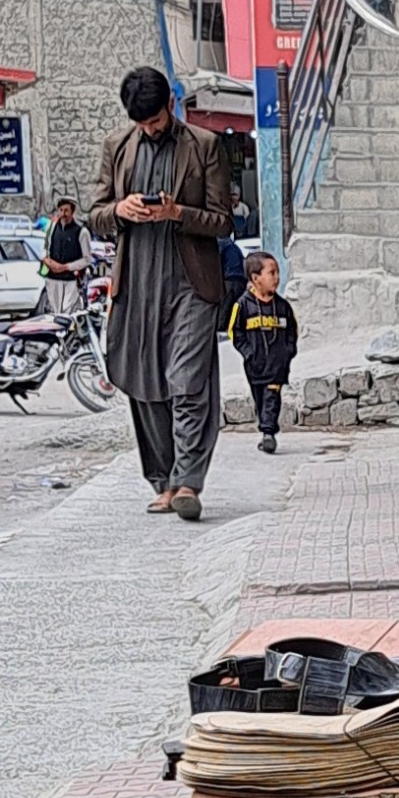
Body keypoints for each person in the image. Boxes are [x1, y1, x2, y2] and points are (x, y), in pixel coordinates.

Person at [86, 66, 232, 521]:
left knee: (187, 381)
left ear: (170, 104)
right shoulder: (117, 147)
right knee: (145, 382)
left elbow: (224, 220)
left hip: (191, 283)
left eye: (154, 121)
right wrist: (120, 210)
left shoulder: (204, 146)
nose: (148, 129)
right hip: (137, 282)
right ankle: (163, 481)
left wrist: (177, 212)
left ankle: (189, 480)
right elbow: (94, 215)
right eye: (140, 124)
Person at [227, 250, 298, 455]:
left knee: (271, 396)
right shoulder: (243, 306)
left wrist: (287, 351)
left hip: (277, 365)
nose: (277, 277)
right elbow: (235, 332)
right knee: (260, 398)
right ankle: (265, 427)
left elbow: (293, 331)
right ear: (256, 279)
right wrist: (248, 353)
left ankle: (268, 433)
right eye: (271, 273)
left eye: (277, 272)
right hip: (255, 365)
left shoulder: (283, 307)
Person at [39, 195, 93, 313]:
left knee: (68, 313)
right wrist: (48, 262)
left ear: (72, 212)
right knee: (55, 313)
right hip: (52, 279)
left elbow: (87, 259)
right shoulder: (51, 228)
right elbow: (43, 249)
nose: (63, 213)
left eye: (66, 210)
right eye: (61, 210)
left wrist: (65, 267)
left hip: (71, 281)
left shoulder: (82, 232)